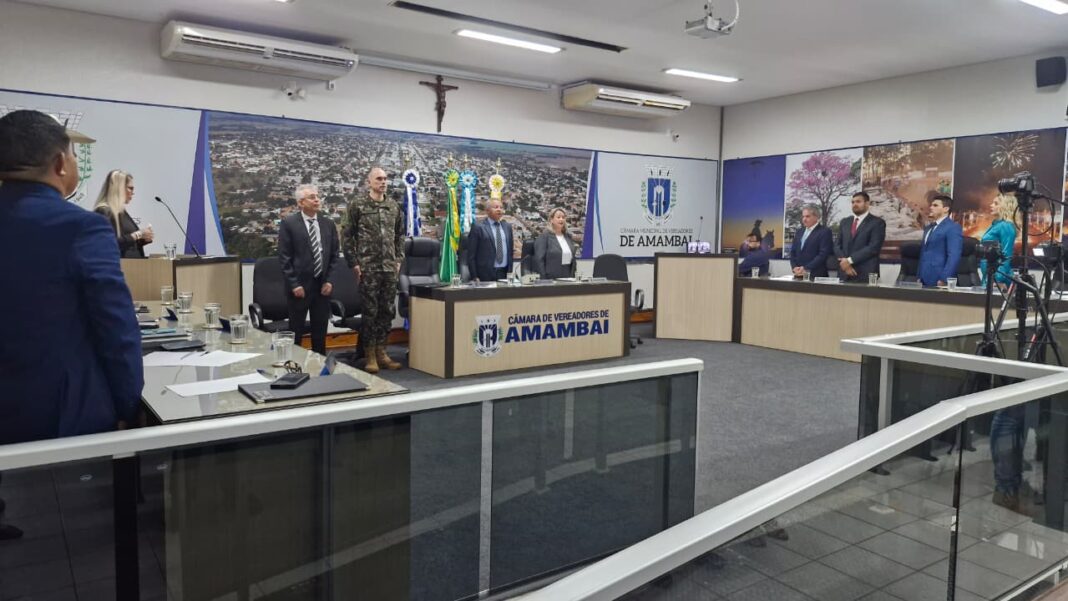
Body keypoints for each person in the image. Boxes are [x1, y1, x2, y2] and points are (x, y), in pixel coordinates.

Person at [341, 167, 405, 374]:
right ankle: (369, 355)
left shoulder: (393, 206)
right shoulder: (357, 205)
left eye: (385, 179)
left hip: (389, 268)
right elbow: (347, 236)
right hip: (368, 267)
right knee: (370, 312)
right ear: (369, 182)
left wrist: (398, 259)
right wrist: (354, 263)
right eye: (379, 179)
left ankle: (382, 352)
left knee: (387, 311)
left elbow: (400, 235)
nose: (383, 182)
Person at [277, 184, 340, 356]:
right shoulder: (289, 224)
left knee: (320, 331)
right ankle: (293, 365)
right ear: (300, 203)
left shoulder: (328, 224)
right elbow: (284, 257)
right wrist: (294, 284)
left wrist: (330, 281)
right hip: (299, 287)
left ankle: (319, 365)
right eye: (312, 197)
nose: (317, 200)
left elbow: (334, 255)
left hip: (322, 286)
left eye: (317, 196)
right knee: (296, 332)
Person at [93, 169, 153, 258]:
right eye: (130, 188)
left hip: (133, 265)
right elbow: (108, 244)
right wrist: (138, 234)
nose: (133, 192)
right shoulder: (104, 211)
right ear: (118, 188)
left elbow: (127, 244)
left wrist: (143, 239)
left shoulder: (121, 211)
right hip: (117, 264)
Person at [834, 191, 886, 282]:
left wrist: (849, 261)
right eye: (853, 202)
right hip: (844, 272)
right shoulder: (845, 222)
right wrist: (844, 263)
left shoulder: (877, 223)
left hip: (865, 273)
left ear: (867, 203)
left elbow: (873, 247)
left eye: (858, 202)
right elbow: (837, 245)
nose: (854, 204)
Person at [917, 195, 963, 287]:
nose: (931, 208)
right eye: (931, 205)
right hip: (923, 280)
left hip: (940, 279)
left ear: (946, 209)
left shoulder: (953, 227)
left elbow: (954, 256)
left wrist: (945, 279)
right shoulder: (928, 228)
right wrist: (919, 276)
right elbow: (924, 253)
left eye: (935, 205)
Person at [467, 198, 514, 282]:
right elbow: (471, 255)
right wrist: (474, 276)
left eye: (501, 207)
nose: (499, 209)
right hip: (484, 274)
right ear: (487, 210)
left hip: (504, 273)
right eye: (496, 207)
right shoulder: (478, 227)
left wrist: (510, 272)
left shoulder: (507, 227)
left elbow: (510, 252)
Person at [979, 193, 1019, 288]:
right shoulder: (996, 225)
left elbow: (1006, 255)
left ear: (1005, 207)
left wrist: (997, 279)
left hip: (998, 279)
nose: (991, 205)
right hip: (989, 275)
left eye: (996, 203)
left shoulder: (1006, 226)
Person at [789, 204, 833, 278]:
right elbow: (793, 252)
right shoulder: (799, 232)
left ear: (816, 217)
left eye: (807, 216)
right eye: (803, 216)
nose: (804, 219)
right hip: (798, 275)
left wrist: (806, 268)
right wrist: (794, 267)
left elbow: (823, 255)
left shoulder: (824, 232)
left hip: (816, 276)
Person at [533, 207, 577, 279]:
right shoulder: (544, 237)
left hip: (568, 277)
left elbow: (573, 259)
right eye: (558, 217)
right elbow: (539, 260)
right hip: (550, 278)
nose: (561, 219)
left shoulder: (568, 237)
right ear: (551, 220)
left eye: (563, 217)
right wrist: (544, 279)